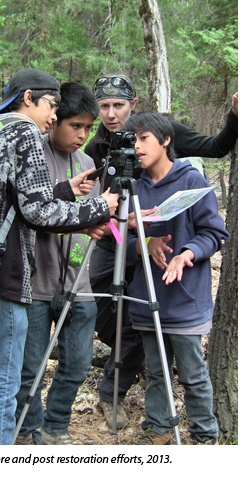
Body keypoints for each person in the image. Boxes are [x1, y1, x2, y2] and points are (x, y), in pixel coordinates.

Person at [84, 75, 238, 430]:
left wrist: (234, 116)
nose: (110, 114)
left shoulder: (178, 158)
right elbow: (106, 216)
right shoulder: (97, 146)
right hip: (121, 247)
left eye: (117, 106)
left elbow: (215, 149)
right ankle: (133, 398)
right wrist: (137, 242)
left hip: (171, 274)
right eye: (104, 107)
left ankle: (197, 430)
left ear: (133, 104)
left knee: (171, 352)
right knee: (118, 322)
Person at [0, 68, 118, 445]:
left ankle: (49, 427)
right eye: (53, 108)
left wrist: (71, 195)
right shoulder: (24, 132)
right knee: (13, 375)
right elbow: (37, 212)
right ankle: (21, 433)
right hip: (23, 276)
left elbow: (19, 202)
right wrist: (98, 208)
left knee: (61, 364)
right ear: (29, 98)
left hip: (70, 279)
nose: (52, 117)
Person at [123, 112, 229, 444]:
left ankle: (203, 435)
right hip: (147, 296)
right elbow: (118, 242)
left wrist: (186, 253)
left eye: (143, 138)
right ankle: (158, 429)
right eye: (133, 140)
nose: (137, 147)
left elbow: (213, 232)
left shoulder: (192, 180)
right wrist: (144, 244)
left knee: (194, 374)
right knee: (156, 372)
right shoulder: (134, 187)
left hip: (185, 299)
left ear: (166, 140)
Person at [14, 82, 105, 445]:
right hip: (36, 280)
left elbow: (95, 219)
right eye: (75, 125)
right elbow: (30, 211)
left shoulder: (89, 164)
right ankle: (29, 426)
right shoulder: (33, 156)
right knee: (30, 365)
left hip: (80, 282)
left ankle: (56, 425)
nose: (82, 135)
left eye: (88, 127)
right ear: (54, 120)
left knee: (79, 361)